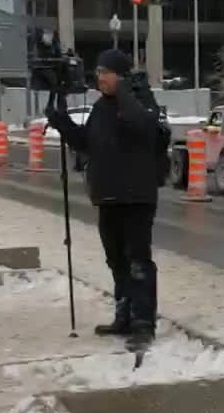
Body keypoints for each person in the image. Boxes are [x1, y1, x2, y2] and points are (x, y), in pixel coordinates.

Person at [47, 49, 161, 350]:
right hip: (108, 197)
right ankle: (123, 315)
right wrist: (62, 123)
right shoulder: (100, 108)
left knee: (138, 262)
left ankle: (143, 324)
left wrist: (124, 91)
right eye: (97, 72)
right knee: (117, 261)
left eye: (104, 72)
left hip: (136, 197)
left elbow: (143, 126)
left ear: (120, 75)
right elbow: (88, 143)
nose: (99, 78)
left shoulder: (141, 101)